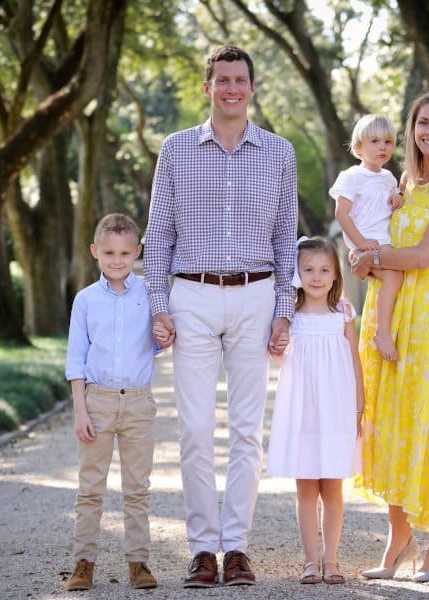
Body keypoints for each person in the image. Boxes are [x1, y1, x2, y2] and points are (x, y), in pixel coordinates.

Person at [143, 44, 297, 588]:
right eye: (222, 80)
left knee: (248, 431)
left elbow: (285, 240)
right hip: (193, 298)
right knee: (195, 429)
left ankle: (237, 548)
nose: (231, 88)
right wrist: (157, 304)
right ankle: (202, 549)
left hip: (256, 296)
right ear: (206, 87)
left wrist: (285, 311)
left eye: (240, 80)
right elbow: (158, 233)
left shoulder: (279, 152)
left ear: (253, 88)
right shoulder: (177, 149)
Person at [350, 90, 429, 583]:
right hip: (385, 310)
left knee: (427, 424)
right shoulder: (402, 179)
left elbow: (422, 255)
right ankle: (398, 540)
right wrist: (368, 259)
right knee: (389, 424)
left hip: (424, 318)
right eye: (423, 121)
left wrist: (372, 258)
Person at [64, 214, 163, 592]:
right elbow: (76, 357)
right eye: (109, 252)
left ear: (137, 252)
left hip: (138, 403)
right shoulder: (86, 300)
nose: (117, 260)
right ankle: (83, 561)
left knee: (137, 488)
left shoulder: (150, 293)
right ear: (95, 252)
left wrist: (163, 333)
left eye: (125, 252)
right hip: (98, 401)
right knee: (91, 487)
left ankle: (138, 562)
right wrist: (80, 408)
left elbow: (159, 340)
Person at [266, 237, 364, 586]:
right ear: (296, 273)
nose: (317, 277)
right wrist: (277, 346)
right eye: (308, 269)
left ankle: (332, 558)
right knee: (306, 487)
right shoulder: (289, 316)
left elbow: (355, 360)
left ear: (336, 274)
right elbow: (279, 356)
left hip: (337, 408)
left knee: (333, 487)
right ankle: (310, 559)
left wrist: (359, 406)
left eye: (324, 270)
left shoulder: (344, 313)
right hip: (302, 410)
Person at [330, 114, 403, 361]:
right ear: (359, 147)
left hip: (383, 242)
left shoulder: (389, 178)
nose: (383, 147)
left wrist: (398, 198)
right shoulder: (351, 176)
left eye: (388, 142)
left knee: (396, 277)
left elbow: (391, 203)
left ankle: (387, 327)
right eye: (375, 141)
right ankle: (382, 332)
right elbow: (342, 213)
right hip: (366, 244)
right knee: (394, 275)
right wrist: (360, 243)